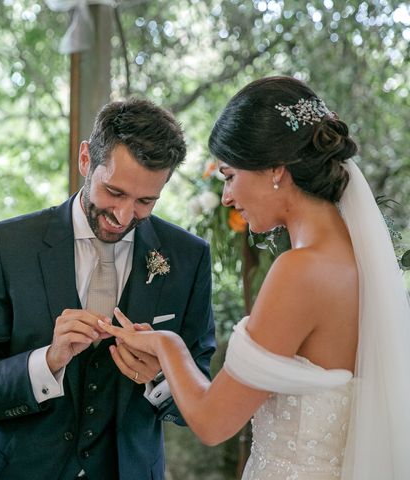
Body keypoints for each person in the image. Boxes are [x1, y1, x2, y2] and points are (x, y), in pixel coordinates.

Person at [99, 76, 410, 479]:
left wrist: (168, 346)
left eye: (230, 176)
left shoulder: (300, 271)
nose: (227, 196)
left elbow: (214, 422)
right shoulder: (356, 259)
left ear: (276, 170)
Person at [0, 98, 217, 479]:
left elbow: (200, 389)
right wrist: (49, 361)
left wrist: (161, 374)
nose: (124, 216)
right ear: (86, 160)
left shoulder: (188, 258)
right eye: (114, 192)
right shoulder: (7, 247)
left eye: (145, 201)